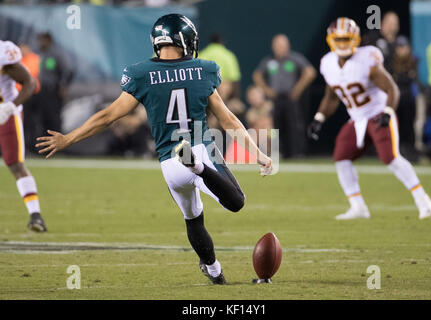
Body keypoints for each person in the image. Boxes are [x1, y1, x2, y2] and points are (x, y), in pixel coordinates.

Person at [36, 14, 272, 284]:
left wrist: (69, 138)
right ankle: (197, 167)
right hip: (199, 149)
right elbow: (229, 119)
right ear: (184, 40)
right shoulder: (203, 69)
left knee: (193, 219)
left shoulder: (142, 73)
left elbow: (108, 116)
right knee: (236, 202)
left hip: (169, 162)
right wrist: (260, 154)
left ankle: (215, 273)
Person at [307, 17, 431, 220]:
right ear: (331, 40)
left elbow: (391, 89)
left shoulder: (367, 59)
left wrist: (387, 112)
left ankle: (423, 200)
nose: (342, 43)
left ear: (355, 39)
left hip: (377, 113)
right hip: (357, 118)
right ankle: (358, 206)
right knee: (341, 155)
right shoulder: (328, 63)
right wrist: (319, 117)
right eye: (338, 39)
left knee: (390, 157)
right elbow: (331, 96)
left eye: (346, 38)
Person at [0, 39, 47, 231]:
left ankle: (35, 215)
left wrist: (11, 106)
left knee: (16, 164)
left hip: (5, 113)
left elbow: (30, 82)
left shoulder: (4, 53)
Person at [253, 34, 316, 158]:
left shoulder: (294, 59)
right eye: (277, 45)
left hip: (290, 98)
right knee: (276, 127)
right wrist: (266, 90)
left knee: (294, 126)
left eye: (282, 45)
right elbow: (257, 75)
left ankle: (297, 153)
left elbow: (310, 72)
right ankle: (281, 152)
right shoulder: (269, 61)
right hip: (275, 99)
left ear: (288, 46)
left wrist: (298, 89)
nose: (279, 48)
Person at [35, 32, 73, 134]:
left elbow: (68, 70)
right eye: (39, 40)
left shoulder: (56, 54)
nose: (40, 43)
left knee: (54, 118)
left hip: (53, 91)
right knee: (43, 118)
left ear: (48, 41)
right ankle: (45, 146)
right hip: (41, 91)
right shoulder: (40, 54)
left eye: (42, 40)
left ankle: (57, 144)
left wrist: (63, 85)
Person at [391, 36, 419, 162]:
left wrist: (401, 77)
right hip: (397, 100)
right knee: (397, 126)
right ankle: (398, 152)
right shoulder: (392, 62)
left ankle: (411, 152)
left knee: (409, 126)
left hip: (409, 99)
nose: (401, 50)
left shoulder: (413, 61)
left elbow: (410, 79)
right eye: (399, 47)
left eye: (404, 47)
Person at [245, 85, 273, 154]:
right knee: (253, 133)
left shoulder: (270, 106)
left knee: (266, 130)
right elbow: (254, 124)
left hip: (273, 133)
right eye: (252, 95)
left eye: (256, 95)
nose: (254, 98)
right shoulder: (250, 113)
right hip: (258, 135)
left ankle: (270, 153)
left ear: (262, 96)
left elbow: (269, 122)